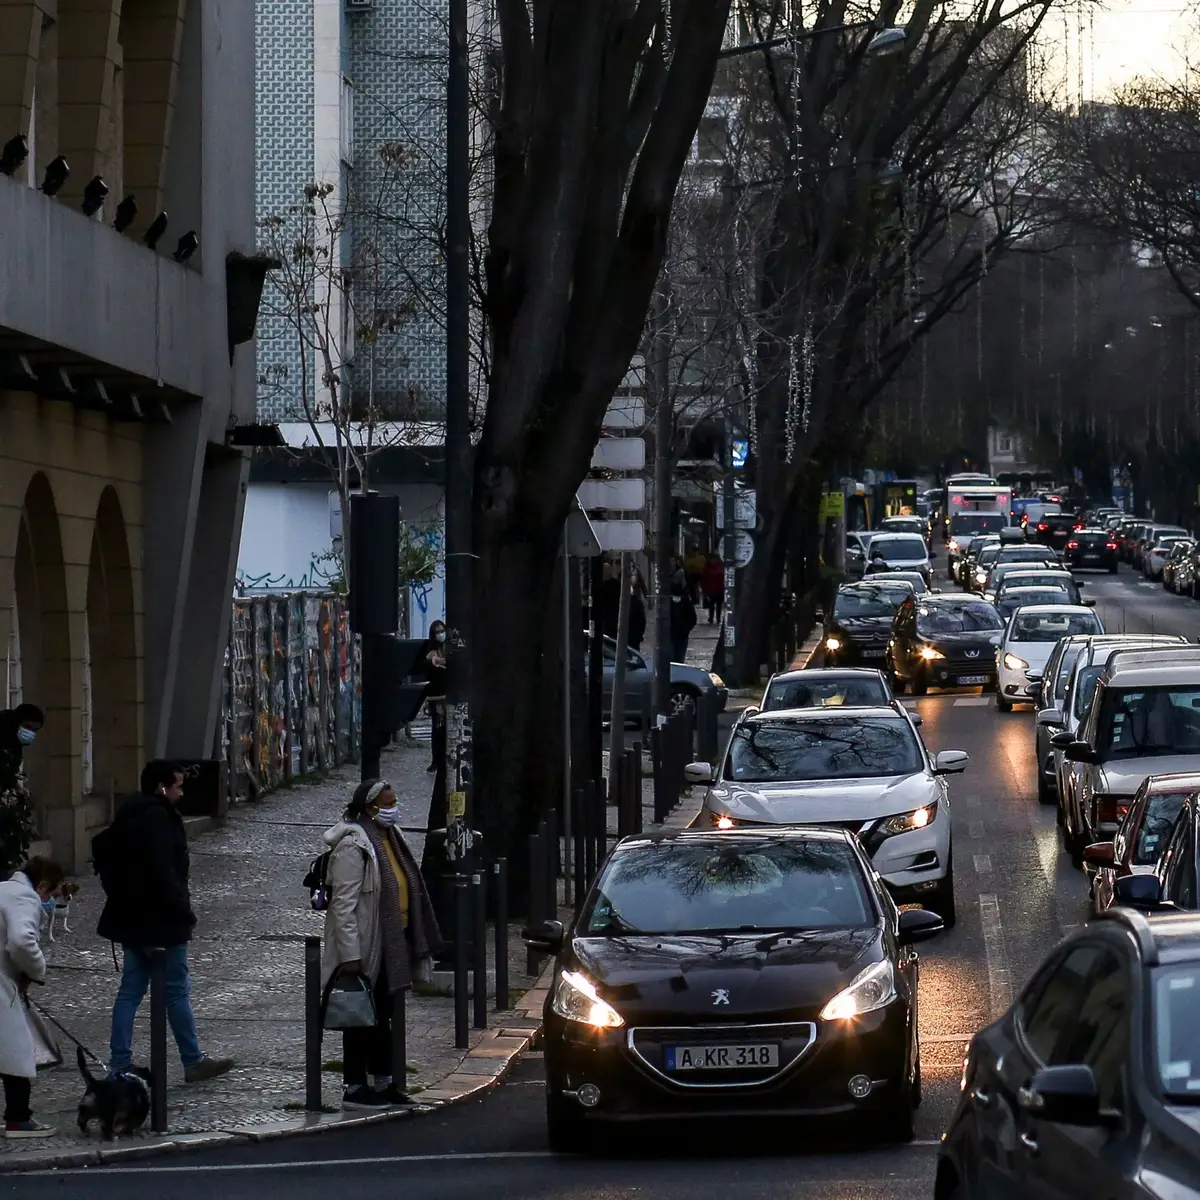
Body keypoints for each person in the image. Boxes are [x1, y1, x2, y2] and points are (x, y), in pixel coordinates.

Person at [94, 760, 233, 1082]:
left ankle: (119, 1062)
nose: (182, 793)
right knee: (176, 990)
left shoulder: (129, 814)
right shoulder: (158, 818)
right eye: (178, 786)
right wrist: (184, 913)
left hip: (130, 918)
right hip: (160, 920)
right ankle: (193, 1060)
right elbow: (164, 872)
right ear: (161, 787)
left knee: (130, 991)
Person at [322, 779, 443, 1110]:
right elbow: (342, 907)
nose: (394, 808)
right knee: (361, 1015)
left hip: (394, 938)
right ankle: (355, 1086)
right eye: (387, 803)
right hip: (366, 945)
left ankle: (384, 1082)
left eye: (395, 800)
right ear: (369, 807)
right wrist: (350, 954)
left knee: (384, 1014)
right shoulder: (353, 848)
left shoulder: (392, 837)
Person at [0, 856, 65, 1137]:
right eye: (51, 893)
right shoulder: (26, 898)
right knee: (16, 1049)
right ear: (43, 885)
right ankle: (18, 1118)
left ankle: (17, 1116)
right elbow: (21, 940)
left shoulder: (3, 888)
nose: (50, 900)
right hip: (2, 982)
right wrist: (37, 969)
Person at [0, 706, 44, 877]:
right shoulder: (4, 733)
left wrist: (17, 788)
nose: (29, 733)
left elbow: (8, 771)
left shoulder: (13, 743)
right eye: (27, 727)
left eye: (34, 730)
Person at [424, 621, 448, 775]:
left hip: (446, 694)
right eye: (437, 632)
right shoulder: (431, 650)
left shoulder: (448, 647)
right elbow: (432, 659)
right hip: (436, 696)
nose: (440, 634)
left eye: (442, 631)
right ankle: (436, 760)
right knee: (438, 729)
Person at [669, 571, 697, 664]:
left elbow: (692, 618)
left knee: (678, 660)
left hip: (681, 636)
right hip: (671, 635)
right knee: (673, 659)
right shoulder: (667, 601)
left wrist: (685, 630)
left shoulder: (685, 601)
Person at [701, 553, 725, 624]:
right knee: (712, 605)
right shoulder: (708, 567)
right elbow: (704, 579)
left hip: (718, 589)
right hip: (712, 590)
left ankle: (717, 618)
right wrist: (704, 590)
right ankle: (712, 618)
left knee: (718, 605)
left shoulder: (718, 566)